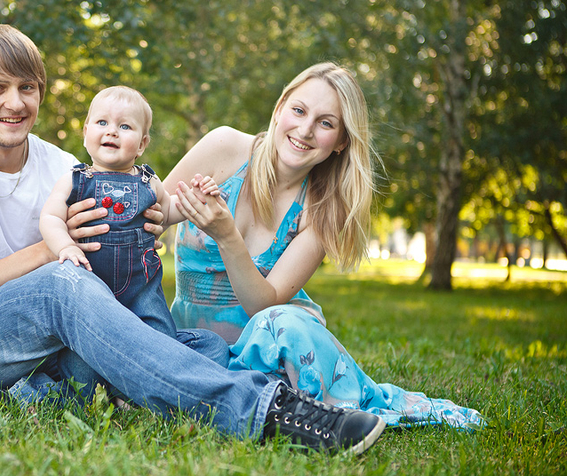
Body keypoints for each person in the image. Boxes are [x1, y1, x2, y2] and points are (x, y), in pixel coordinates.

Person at [0, 24, 386, 455]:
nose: (15, 103)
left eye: (27, 87)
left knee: (201, 346)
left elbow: (139, 226)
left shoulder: (64, 166)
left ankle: (36, 395)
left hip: (44, 351)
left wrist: (143, 234)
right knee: (63, 283)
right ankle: (266, 413)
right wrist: (48, 251)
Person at [165, 62, 485, 429]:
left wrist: (226, 236)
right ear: (280, 108)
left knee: (281, 321)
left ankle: (296, 401)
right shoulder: (225, 147)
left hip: (272, 352)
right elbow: (149, 209)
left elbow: (262, 306)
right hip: (196, 347)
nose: (305, 130)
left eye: (326, 123)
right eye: (299, 111)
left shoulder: (323, 210)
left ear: (342, 141)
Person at [40, 85, 218, 338]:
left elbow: (169, 211)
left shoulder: (149, 181)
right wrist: (66, 246)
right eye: (102, 122)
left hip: (141, 288)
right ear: (86, 133)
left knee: (161, 335)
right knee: (86, 339)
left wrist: (196, 198)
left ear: (142, 144)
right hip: (90, 283)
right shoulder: (74, 180)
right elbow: (50, 217)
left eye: (125, 126)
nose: (112, 131)